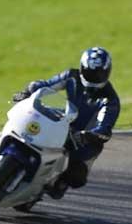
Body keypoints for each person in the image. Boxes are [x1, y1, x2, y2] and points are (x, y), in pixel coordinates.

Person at [13, 46, 120, 198]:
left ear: (107, 72)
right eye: (90, 72)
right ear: (82, 68)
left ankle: (57, 182)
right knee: (29, 128)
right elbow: (46, 85)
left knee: (76, 176)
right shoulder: (71, 76)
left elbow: (104, 128)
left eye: (99, 73)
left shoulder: (110, 100)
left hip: (83, 140)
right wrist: (27, 92)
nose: (94, 77)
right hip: (62, 123)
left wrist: (90, 135)